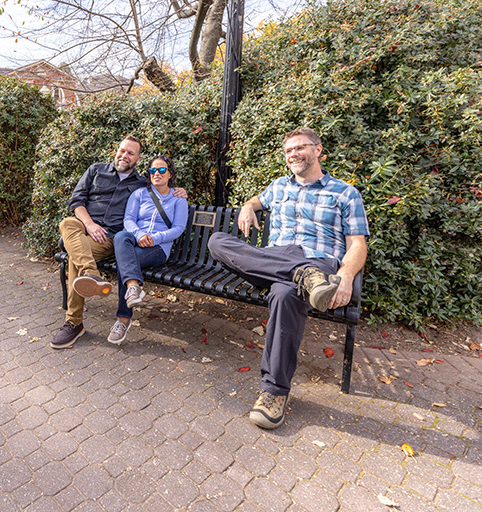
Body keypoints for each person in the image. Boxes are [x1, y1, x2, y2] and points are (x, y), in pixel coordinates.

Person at [207, 127, 368, 430]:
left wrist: (346, 276)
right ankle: (300, 275)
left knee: (284, 295)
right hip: (278, 261)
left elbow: (357, 243)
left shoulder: (345, 193)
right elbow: (258, 200)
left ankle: (274, 392)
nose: (293, 154)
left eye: (299, 148)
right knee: (217, 241)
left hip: (317, 262)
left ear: (318, 150)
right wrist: (248, 206)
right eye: (288, 151)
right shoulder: (279, 186)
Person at [51, 136, 186, 349]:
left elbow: (164, 192)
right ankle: (92, 274)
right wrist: (90, 225)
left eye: (130, 153)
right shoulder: (96, 170)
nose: (124, 156)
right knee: (68, 223)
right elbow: (76, 201)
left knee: (74, 258)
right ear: (117, 150)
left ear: (138, 159)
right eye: (122, 151)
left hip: (111, 238)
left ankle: (74, 323)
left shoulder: (143, 184)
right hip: (84, 228)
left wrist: (181, 191)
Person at [107, 155, 188, 344]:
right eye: (153, 170)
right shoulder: (140, 194)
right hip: (136, 239)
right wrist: (139, 235)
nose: (157, 174)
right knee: (120, 236)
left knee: (125, 261)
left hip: (158, 248)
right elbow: (128, 219)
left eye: (161, 170)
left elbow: (178, 229)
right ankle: (133, 287)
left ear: (170, 174)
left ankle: (123, 320)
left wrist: (154, 238)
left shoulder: (178, 199)